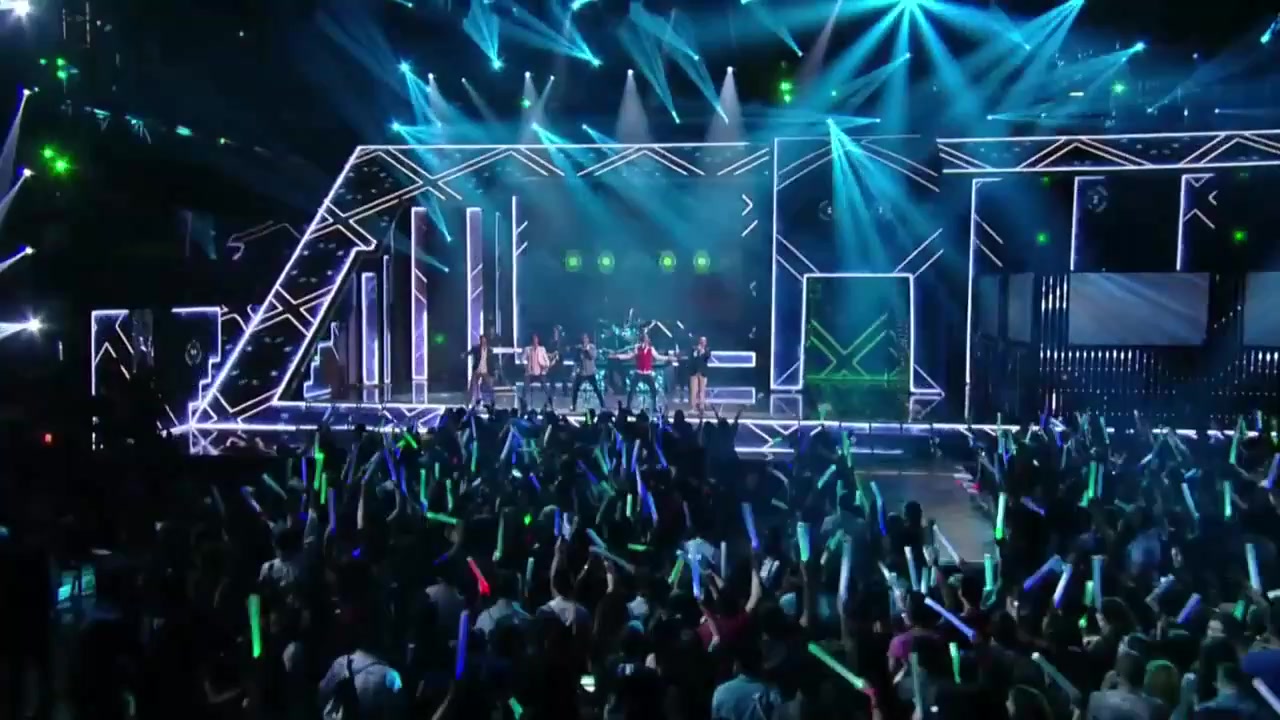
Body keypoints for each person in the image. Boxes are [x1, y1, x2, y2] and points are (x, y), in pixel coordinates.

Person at [613, 331, 665, 412]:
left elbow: (658, 357)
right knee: (632, 390)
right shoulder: (637, 348)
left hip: (647, 373)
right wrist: (618, 356)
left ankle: (654, 407)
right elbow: (629, 356)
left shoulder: (651, 349)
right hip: (639, 373)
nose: (646, 340)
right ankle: (628, 407)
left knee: (653, 390)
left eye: (647, 338)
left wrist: (668, 358)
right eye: (645, 338)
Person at [570, 332, 605, 412]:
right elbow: (576, 360)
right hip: (581, 372)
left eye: (585, 338)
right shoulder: (580, 349)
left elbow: (592, 357)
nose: (584, 340)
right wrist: (574, 371)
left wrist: (587, 350)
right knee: (575, 389)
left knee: (596, 389)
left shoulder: (592, 347)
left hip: (590, 372)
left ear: (588, 339)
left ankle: (603, 405)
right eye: (583, 339)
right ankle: (573, 406)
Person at [522, 333, 553, 409]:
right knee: (525, 388)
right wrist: (526, 366)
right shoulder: (527, 349)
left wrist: (545, 366)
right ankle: (523, 403)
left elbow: (547, 361)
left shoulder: (542, 349)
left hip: (540, 372)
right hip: (530, 373)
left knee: (545, 388)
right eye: (533, 339)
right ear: (532, 341)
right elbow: (522, 359)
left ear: (538, 340)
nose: (535, 341)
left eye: (536, 339)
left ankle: (550, 403)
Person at [464, 334, 496, 405]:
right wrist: (464, 354)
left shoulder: (489, 350)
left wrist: (493, 370)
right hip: (477, 370)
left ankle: (492, 401)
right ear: (480, 340)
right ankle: (470, 402)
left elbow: (492, 361)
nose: (483, 341)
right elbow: (469, 352)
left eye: (484, 340)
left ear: (486, 340)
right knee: (473, 386)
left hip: (485, 370)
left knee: (490, 386)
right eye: (481, 340)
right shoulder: (476, 348)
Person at [688, 336, 711, 413]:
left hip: (703, 373)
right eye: (701, 341)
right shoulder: (694, 349)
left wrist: (702, 350)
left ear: (706, 343)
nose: (702, 342)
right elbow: (691, 358)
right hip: (694, 372)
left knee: (702, 391)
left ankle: (702, 407)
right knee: (694, 391)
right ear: (699, 341)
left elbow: (707, 356)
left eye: (704, 341)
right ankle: (693, 408)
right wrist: (697, 351)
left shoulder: (707, 350)